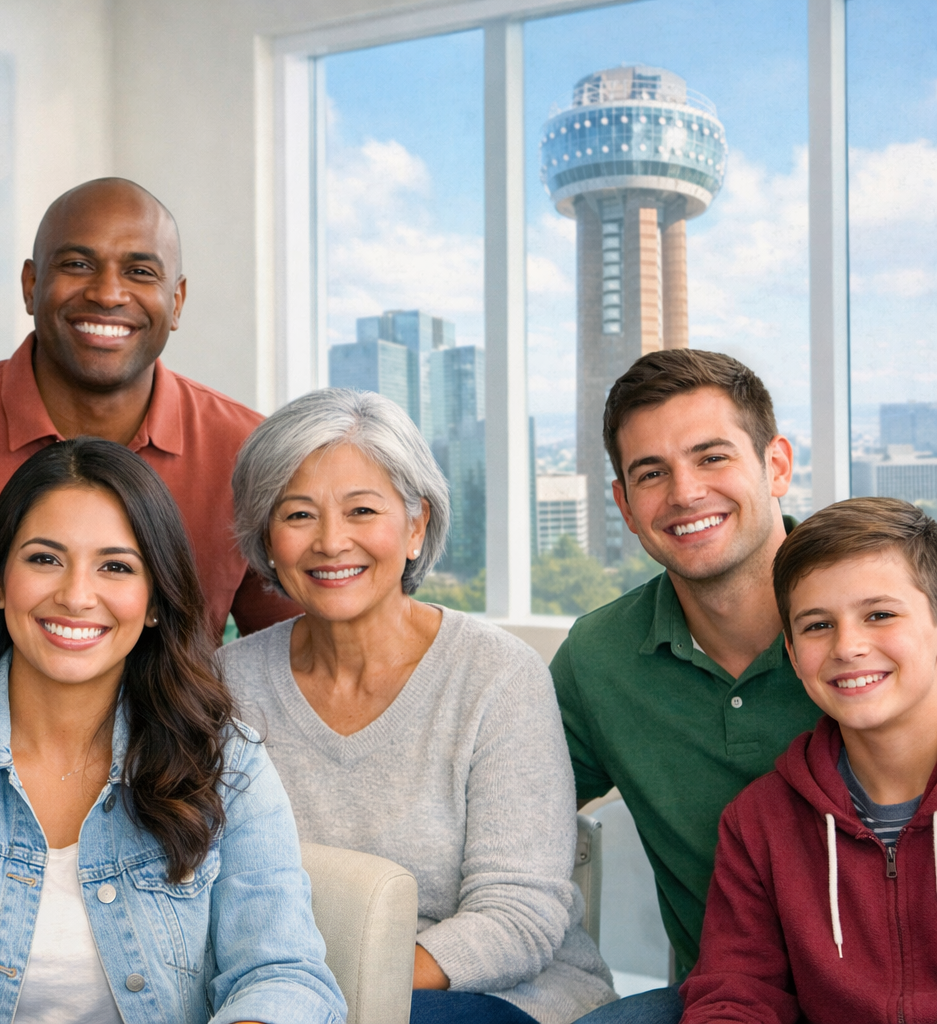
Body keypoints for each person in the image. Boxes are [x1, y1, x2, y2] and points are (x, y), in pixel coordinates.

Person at [0, 438, 345, 1024]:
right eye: (45, 559)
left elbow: (284, 975)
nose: (77, 596)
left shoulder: (227, 762)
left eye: (115, 567)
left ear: (155, 600)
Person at [221, 388, 616, 1024]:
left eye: (361, 510)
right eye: (298, 515)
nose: (331, 541)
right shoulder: (226, 687)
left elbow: (519, 915)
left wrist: (340, 992)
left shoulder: (497, 675)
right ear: (267, 540)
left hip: (493, 995)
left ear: (415, 526)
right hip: (282, 995)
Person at [0, 176, 297, 637]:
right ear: (31, 284)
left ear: (176, 302)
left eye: (139, 272)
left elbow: (294, 651)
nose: (108, 293)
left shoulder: (250, 452)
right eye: (78, 264)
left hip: (183, 712)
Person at [552, 351, 823, 1024]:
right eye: (651, 473)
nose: (685, 493)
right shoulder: (599, 658)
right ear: (624, 505)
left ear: (777, 466)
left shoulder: (880, 621)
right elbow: (504, 809)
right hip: (724, 999)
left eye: (712, 457)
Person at [679, 498, 937, 1023]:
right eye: (818, 625)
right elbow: (738, 991)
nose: (849, 646)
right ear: (794, 657)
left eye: (879, 615)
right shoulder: (760, 822)